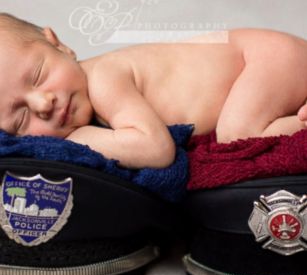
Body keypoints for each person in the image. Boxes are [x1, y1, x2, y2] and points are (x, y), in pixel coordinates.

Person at [0, 13, 307, 169]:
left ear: (58, 45)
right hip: (262, 64)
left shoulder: (104, 78)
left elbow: (157, 151)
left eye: (39, 75)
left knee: (237, 134)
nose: (43, 103)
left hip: (263, 59)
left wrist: (81, 138)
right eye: (21, 119)